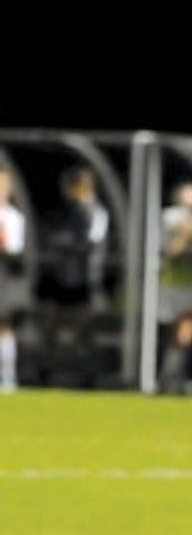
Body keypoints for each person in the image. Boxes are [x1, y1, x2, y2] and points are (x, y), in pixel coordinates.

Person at [35, 164, 110, 387]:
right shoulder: (63, 211)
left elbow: (90, 242)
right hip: (59, 277)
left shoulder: (96, 212)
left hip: (84, 280)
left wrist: (65, 245)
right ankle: (45, 372)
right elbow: (48, 236)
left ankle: (88, 376)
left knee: (84, 330)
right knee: (50, 327)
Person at [157, 181, 192, 394]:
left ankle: (174, 377)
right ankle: (166, 375)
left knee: (185, 333)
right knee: (169, 334)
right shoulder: (169, 219)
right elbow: (170, 252)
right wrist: (183, 236)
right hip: (170, 283)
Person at [0, 165, 25, 391]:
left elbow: (16, 248)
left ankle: (8, 378)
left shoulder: (14, 217)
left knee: (4, 326)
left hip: (3, 274)